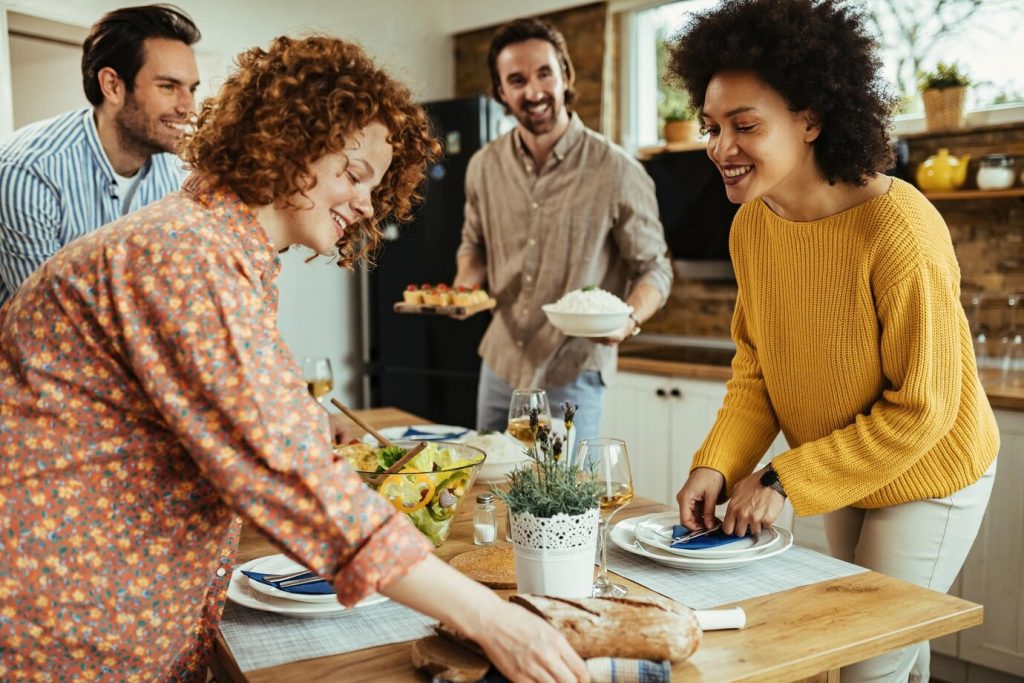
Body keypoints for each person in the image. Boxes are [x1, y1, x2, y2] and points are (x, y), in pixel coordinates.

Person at [0, 35, 588, 683]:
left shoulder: (215, 245)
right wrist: (492, 618)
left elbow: (242, 420)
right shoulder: (185, 254)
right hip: (60, 629)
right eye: (355, 174)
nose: (367, 203)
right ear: (288, 143)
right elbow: (288, 471)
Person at [669, 1, 998, 681]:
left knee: (858, 661)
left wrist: (785, 477)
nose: (720, 147)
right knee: (892, 660)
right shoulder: (752, 226)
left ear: (811, 119)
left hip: (930, 475)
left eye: (744, 125)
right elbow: (758, 369)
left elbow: (924, 409)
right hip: (843, 468)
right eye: (711, 127)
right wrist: (718, 465)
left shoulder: (899, 229)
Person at [454, 18, 672, 441]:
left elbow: (654, 269)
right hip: (499, 363)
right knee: (488, 491)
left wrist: (628, 320)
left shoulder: (616, 169)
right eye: (516, 80)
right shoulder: (483, 166)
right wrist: (464, 287)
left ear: (565, 75)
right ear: (500, 91)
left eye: (543, 74)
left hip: (571, 369)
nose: (532, 92)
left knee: (564, 503)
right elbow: (472, 245)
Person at [0, 4, 201, 305]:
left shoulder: (179, 175)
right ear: (112, 86)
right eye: (168, 86)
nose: (187, 107)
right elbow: (47, 313)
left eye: (191, 89)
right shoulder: (28, 171)